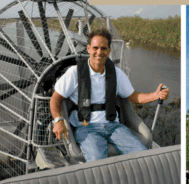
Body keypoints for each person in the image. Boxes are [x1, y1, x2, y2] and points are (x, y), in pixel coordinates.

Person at [50, 29, 169, 162]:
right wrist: (58, 120)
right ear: (88, 49)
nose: (99, 52)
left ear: (109, 50)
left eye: (103, 48)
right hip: (86, 127)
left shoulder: (116, 73)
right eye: (95, 48)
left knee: (141, 155)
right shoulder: (74, 73)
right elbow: (55, 99)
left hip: (113, 126)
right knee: (98, 161)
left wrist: (156, 95)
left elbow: (134, 97)